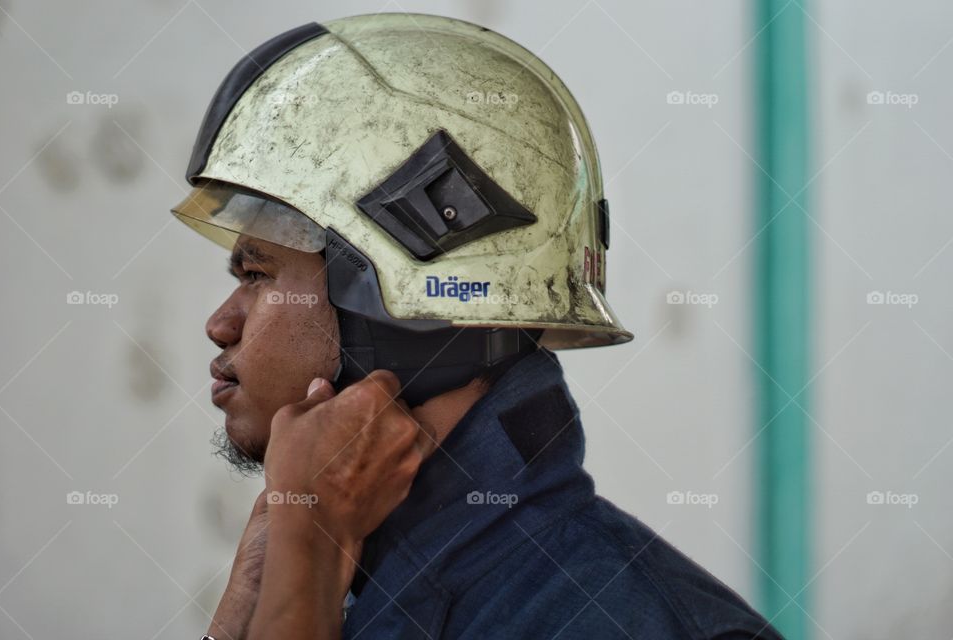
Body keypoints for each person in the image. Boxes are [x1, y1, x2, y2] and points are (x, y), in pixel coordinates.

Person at [171, 13, 785, 639]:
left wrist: (310, 552)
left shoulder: (613, 620)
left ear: (391, 308)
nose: (220, 324)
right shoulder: (356, 587)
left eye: (256, 275)